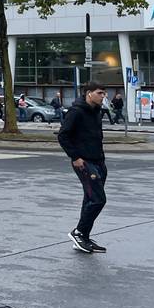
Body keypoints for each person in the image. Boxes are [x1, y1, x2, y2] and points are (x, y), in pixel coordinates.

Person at [58, 81, 109, 254]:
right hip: (84, 162)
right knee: (98, 199)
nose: (103, 96)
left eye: (104, 93)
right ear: (89, 93)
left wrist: (101, 161)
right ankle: (78, 232)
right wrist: (75, 157)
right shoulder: (76, 111)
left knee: (90, 199)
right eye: (100, 93)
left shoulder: (96, 111)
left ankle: (83, 238)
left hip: (98, 161)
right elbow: (63, 136)